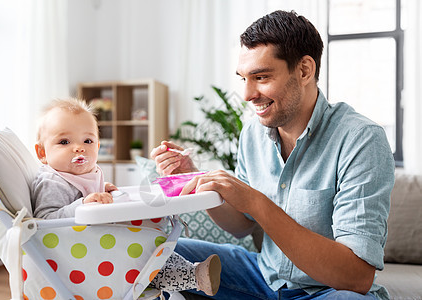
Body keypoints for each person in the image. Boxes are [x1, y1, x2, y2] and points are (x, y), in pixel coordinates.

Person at [151, 10, 395, 300]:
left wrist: (257, 202)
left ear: (304, 70)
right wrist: (194, 177)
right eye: (244, 78)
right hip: (262, 276)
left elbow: (356, 276)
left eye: (261, 77)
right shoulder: (252, 134)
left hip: (329, 290)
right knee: (152, 250)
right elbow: (241, 225)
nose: (247, 94)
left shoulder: (361, 139)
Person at [31, 98, 222, 296]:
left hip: (98, 246)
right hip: (77, 257)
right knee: (140, 255)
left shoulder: (84, 174)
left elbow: (83, 194)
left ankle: (194, 273)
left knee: (147, 245)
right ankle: (194, 276)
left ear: (97, 147)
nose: (79, 148)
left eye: (87, 141)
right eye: (64, 142)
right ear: (42, 153)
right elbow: (45, 222)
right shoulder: (53, 181)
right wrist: (83, 205)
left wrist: (103, 189)